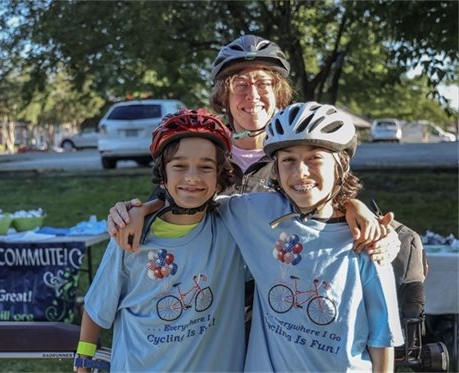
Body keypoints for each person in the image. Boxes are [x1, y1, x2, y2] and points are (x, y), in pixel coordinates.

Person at [112, 102, 405, 371]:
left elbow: (383, 338)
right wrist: (143, 209)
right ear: (275, 168)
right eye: (288, 160)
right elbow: (197, 201)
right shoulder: (258, 213)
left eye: (315, 158)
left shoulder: (366, 240)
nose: (300, 172)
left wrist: (356, 205)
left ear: (340, 166)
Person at [109, 34, 394, 255]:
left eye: (263, 83)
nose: (252, 94)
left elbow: (323, 200)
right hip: (216, 288)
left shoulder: (295, 153)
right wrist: (139, 211)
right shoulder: (206, 151)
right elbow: (173, 197)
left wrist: (354, 206)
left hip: (280, 288)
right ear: (224, 95)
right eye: (240, 84)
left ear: (278, 92)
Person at [74, 108, 248, 372]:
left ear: (219, 177)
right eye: (179, 166)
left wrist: (146, 207)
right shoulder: (130, 236)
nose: (192, 176)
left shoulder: (234, 228)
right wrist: (82, 362)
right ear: (162, 176)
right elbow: (96, 308)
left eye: (205, 167)